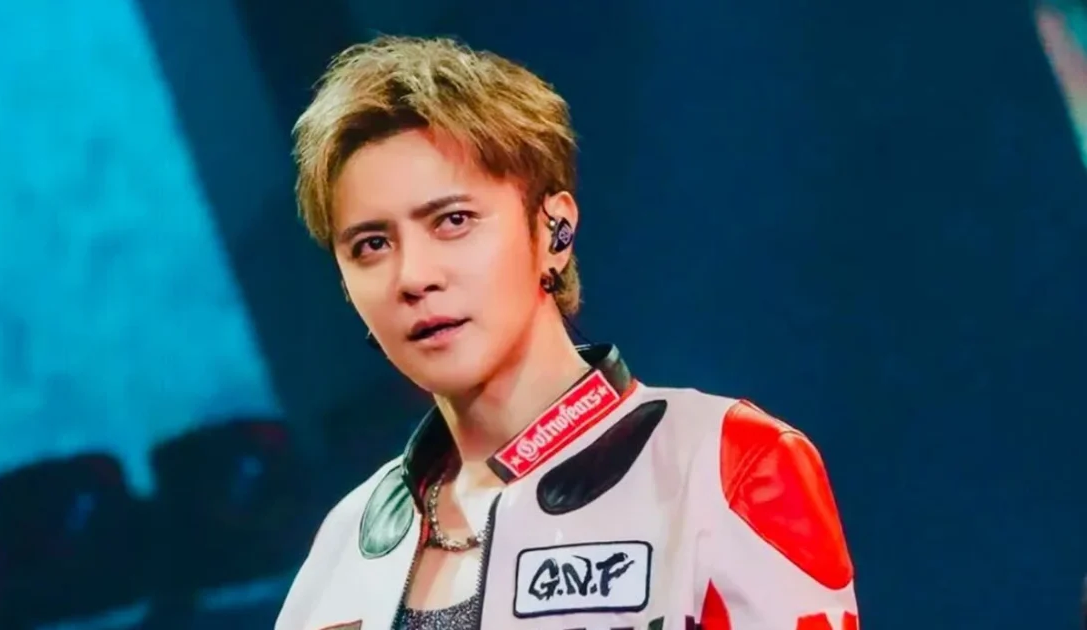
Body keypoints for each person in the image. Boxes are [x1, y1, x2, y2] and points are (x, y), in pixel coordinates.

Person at [276, 35, 859, 630]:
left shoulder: (719, 464)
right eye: (372, 245)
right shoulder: (344, 545)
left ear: (553, 231)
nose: (413, 276)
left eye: (453, 221)